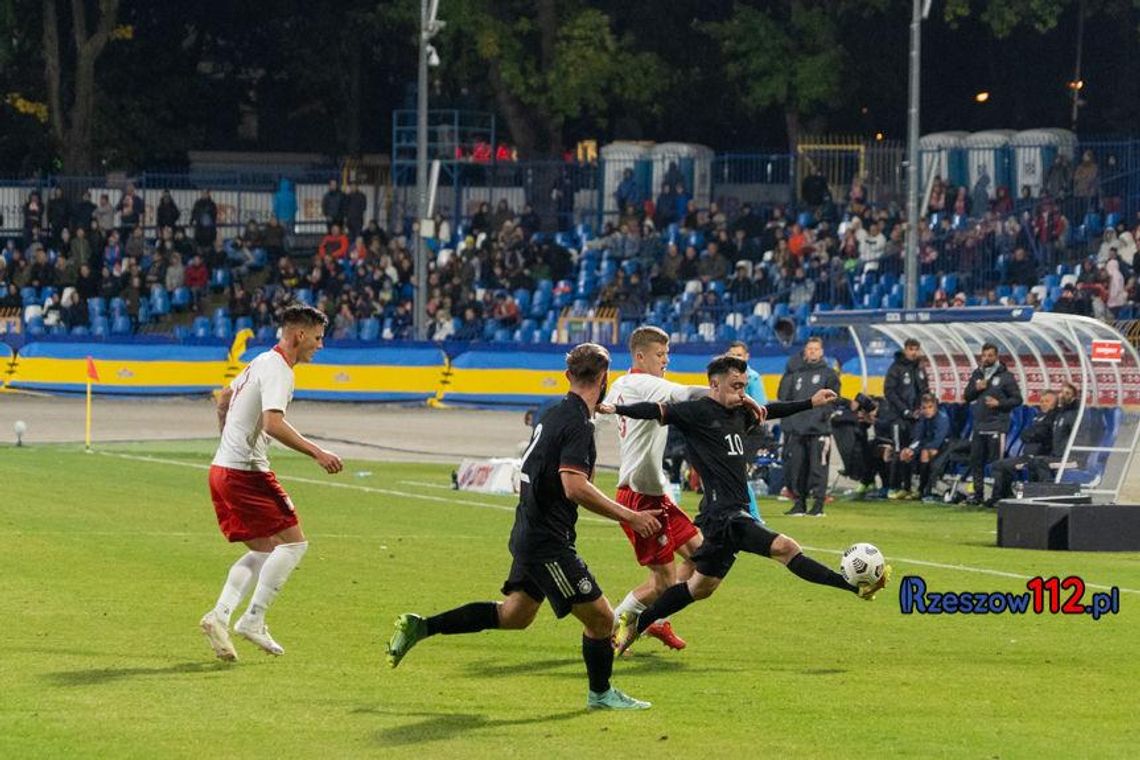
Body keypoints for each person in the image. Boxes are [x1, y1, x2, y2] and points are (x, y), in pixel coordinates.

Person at [385, 343, 661, 711]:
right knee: (602, 620)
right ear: (604, 378)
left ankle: (422, 626)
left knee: (514, 615)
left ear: (567, 377)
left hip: (529, 530)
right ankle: (601, 695)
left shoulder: (552, 411)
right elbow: (574, 486)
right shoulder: (579, 424)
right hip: (549, 542)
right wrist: (631, 516)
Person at [603, 355, 889, 658]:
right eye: (735, 385)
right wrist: (616, 408)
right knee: (786, 548)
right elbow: (653, 410)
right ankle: (853, 586)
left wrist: (811, 402)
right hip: (724, 516)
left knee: (699, 587)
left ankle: (634, 625)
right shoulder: (696, 412)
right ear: (714, 383)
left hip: (727, 515)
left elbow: (770, 411)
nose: (741, 392)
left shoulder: (740, 412)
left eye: (743, 385)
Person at [199, 305, 344, 661]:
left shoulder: (259, 361)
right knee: (294, 545)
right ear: (300, 335)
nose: (320, 346)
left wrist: (227, 442)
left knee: (265, 549)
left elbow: (223, 401)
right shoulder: (279, 369)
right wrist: (317, 453)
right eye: (318, 337)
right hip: (246, 473)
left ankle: (219, 616)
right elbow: (272, 424)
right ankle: (253, 619)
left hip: (220, 470)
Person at [603, 327, 709, 653]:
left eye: (667, 355)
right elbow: (689, 393)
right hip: (639, 497)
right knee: (663, 581)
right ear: (640, 356)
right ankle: (613, 627)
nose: (665, 361)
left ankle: (657, 620)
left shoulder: (621, 384)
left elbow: (600, 410)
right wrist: (727, 393)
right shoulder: (643, 383)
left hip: (655, 491)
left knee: (702, 555)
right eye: (660, 355)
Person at [777, 338, 840, 516]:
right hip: (798, 429)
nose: (812, 352)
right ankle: (799, 503)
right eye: (809, 349)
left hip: (819, 430)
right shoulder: (796, 374)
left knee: (817, 469)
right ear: (805, 352)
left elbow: (834, 400)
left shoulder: (829, 374)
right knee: (798, 469)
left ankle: (818, 506)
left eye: (815, 349)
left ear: (821, 352)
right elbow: (783, 396)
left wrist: (822, 416)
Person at [987, 384, 1078, 506]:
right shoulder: (1039, 417)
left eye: (1047, 401)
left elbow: (1040, 434)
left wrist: (1031, 435)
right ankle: (1002, 498)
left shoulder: (1056, 416)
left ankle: (1043, 498)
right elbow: (1026, 435)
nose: (1043, 403)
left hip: (1042, 455)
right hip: (1029, 455)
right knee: (998, 465)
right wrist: (1030, 435)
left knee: (1034, 463)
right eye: (1041, 401)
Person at [963, 343, 1023, 506]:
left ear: (996, 357)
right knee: (976, 462)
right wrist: (976, 388)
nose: (987, 358)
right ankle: (978, 495)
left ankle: (997, 497)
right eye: (984, 355)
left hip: (997, 426)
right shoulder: (977, 374)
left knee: (997, 464)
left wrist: (999, 403)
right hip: (979, 425)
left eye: (990, 355)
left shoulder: (1006, 377)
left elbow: (1017, 399)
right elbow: (967, 396)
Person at [880, 338, 929, 499]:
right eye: (911, 349)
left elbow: (924, 391)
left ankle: (907, 488)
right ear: (905, 349)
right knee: (898, 451)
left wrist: (919, 409)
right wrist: (905, 411)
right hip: (898, 418)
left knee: (910, 452)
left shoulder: (920, 369)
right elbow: (890, 393)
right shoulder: (896, 368)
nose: (913, 352)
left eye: (916, 349)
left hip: (915, 418)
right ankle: (893, 487)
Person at [725, 340, 767, 520]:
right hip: (733, 430)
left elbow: (760, 408)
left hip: (749, 431)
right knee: (728, 473)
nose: (736, 358)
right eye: (733, 354)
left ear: (747, 357)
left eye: (739, 355)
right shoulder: (725, 377)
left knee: (739, 473)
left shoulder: (752, 377)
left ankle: (754, 515)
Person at [899, 394, 950, 501]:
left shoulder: (942, 418)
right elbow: (918, 437)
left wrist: (920, 449)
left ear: (936, 406)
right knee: (905, 453)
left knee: (925, 453)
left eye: (930, 407)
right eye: (924, 408)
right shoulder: (923, 418)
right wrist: (911, 449)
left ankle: (922, 489)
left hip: (945, 447)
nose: (927, 410)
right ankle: (906, 488)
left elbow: (938, 441)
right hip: (926, 445)